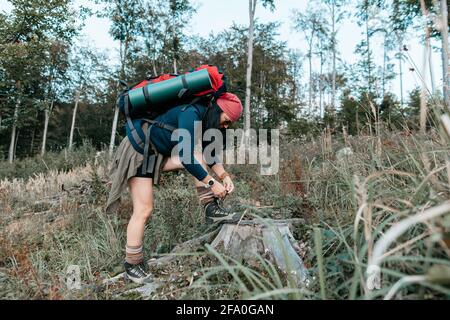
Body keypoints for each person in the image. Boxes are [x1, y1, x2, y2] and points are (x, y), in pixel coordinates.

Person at [106, 92, 243, 284]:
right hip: (138, 150)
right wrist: (212, 183)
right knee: (143, 210)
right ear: (217, 110)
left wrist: (224, 176)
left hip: (156, 154)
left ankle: (211, 209)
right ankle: (132, 265)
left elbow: (208, 154)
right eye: (226, 120)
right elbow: (187, 158)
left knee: (200, 158)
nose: (225, 126)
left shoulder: (205, 121)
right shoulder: (191, 114)